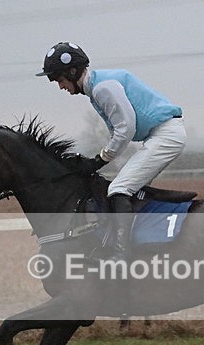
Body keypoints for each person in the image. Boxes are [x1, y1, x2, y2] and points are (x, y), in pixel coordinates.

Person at [37, 41, 186, 259]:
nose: (61, 87)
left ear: (72, 71)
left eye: (60, 80)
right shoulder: (98, 86)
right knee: (130, 189)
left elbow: (126, 128)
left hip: (166, 136)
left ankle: (121, 256)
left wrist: (99, 160)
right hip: (161, 135)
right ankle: (145, 245)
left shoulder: (102, 88)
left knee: (119, 188)